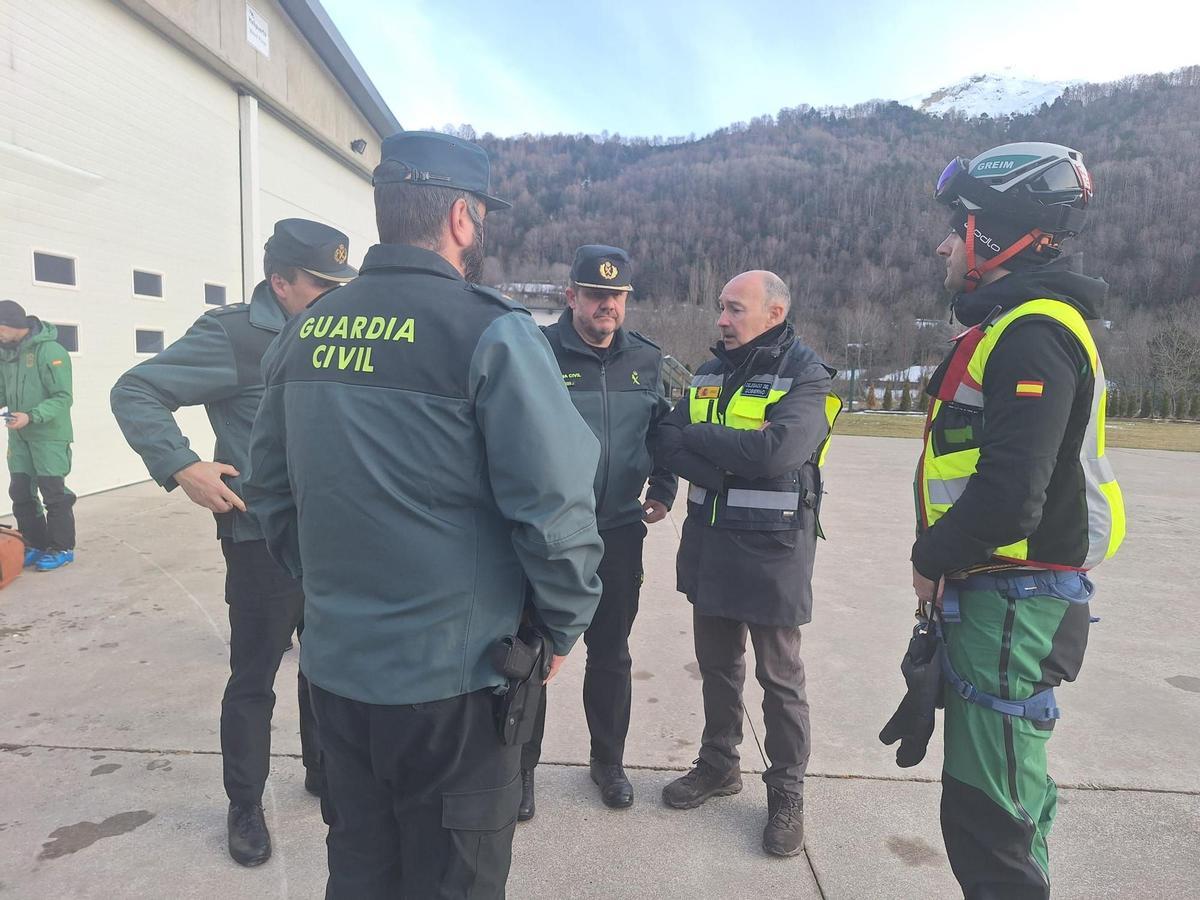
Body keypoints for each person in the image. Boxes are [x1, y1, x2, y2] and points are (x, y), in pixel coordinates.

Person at [244, 131, 603, 899]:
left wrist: (330, 589)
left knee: (362, 867)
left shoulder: (305, 332)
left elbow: (270, 492)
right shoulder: (490, 330)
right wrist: (563, 625)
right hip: (456, 686)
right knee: (453, 880)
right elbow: (555, 509)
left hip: (338, 674)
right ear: (464, 219)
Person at [907, 142, 1124, 898]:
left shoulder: (1033, 330)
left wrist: (931, 556)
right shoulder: (1012, 323)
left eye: (958, 225)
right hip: (1002, 600)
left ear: (998, 233)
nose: (943, 243)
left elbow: (1010, 495)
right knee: (1005, 802)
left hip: (1014, 604)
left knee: (992, 818)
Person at [110, 219, 356, 866]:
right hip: (261, 540)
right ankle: (245, 803)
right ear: (280, 281)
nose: (333, 296)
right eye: (320, 284)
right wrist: (181, 464)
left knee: (324, 667)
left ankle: (322, 770)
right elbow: (137, 389)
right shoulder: (235, 334)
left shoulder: (337, 330)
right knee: (254, 677)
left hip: (332, 539)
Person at [655, 270, 838, 857]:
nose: (722, 319)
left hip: (772, 552)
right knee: (716, 667)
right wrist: (727, 462)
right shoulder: (709, 372)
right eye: (721, 308)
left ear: (774, 314)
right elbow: (667, 437)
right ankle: (718, 765)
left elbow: (779, 451)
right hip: (710, 546)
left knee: (779, 680)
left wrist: (704, 442)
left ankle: (786, 792)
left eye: (735, 309)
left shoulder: (805, 374)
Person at [518, 245, 677, 819]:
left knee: (611, 653)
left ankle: (607, 763)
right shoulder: (537, 352)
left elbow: (664, 431)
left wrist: (663, 486)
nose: (606, 306)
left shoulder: (646, 359)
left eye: (617, 296)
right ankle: (521, 770)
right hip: (551, 533)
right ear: (572, 297)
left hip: (618, 528)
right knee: (533, 652)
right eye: (595, 295)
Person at [0, 300, 75, 571]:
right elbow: (2, 390)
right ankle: (34, 543)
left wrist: (32, 416)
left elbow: (63, 397)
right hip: (19, 437)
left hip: (48, 435)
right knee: (20, 490)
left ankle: (62, 547)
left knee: (53, 493)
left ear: (10, 325)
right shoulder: (6, 354)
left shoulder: (50, 351)